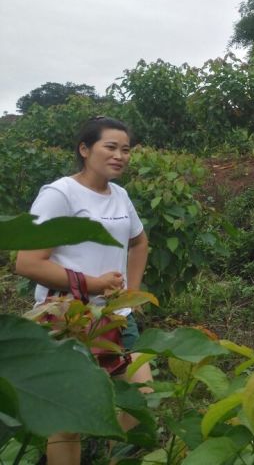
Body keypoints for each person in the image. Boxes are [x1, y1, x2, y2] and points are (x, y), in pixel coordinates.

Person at [15, 116, 152, 465]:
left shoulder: (120, 195)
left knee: (141, 396)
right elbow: (28, 262)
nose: (120, 155)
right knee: (68, 416)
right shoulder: (60, 194)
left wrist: (130, 295)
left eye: (126, 150)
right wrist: (91, 284)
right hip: (67, 319)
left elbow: (139, 243)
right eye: (110, 147)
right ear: (84, 149)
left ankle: (104, 454)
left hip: (115, 317)